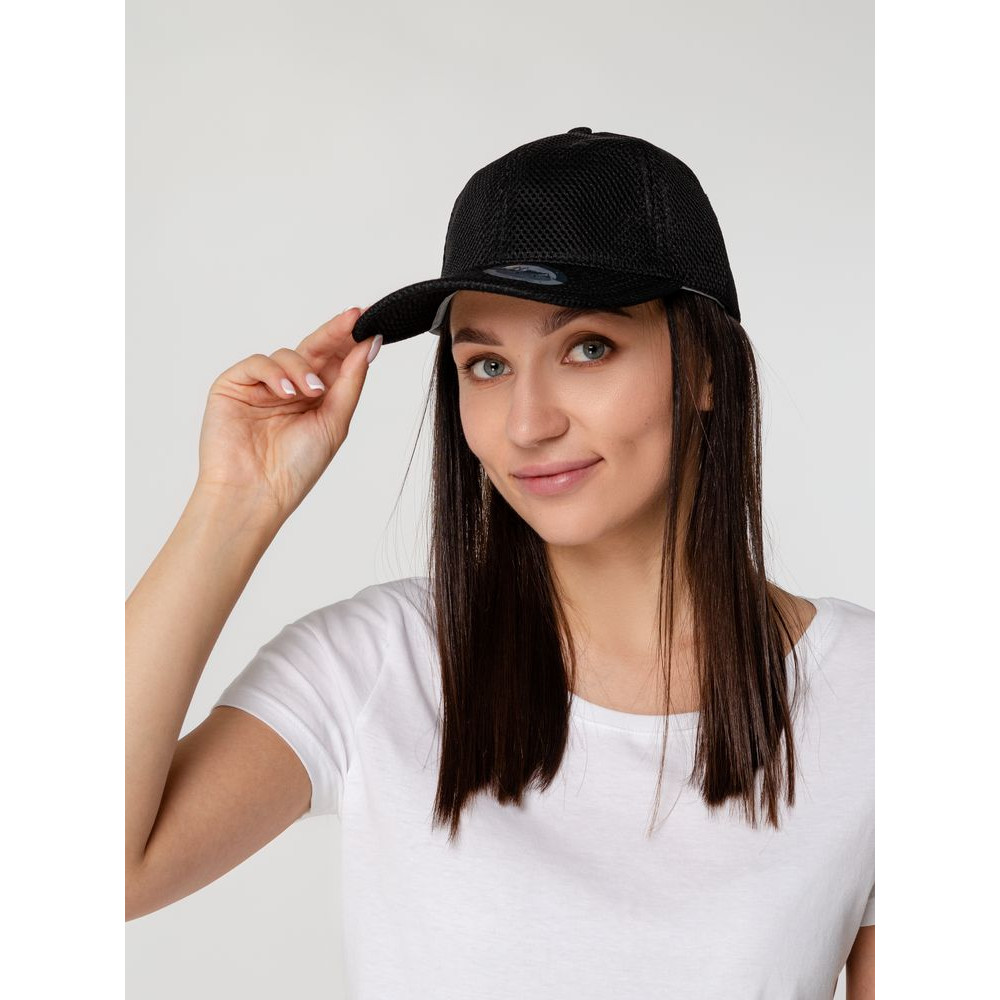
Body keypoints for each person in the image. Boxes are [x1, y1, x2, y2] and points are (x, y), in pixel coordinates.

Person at [125, 127, 874, 998]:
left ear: (705, 367)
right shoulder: (380, 662)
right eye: (486, 364)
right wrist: (236, 499)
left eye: (587, 348)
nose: (526, 423)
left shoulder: (884, 697)